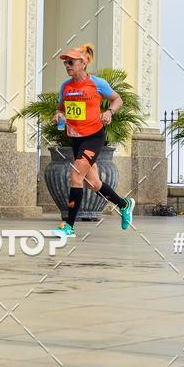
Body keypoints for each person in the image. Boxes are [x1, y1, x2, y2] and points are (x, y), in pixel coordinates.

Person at [52, 44, 135, 238]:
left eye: (71, 62)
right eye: (65, 63)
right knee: (93, 183)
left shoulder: (97, 83)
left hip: (93, 137)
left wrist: (109, 112)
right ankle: (124, 204)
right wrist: (58, 115)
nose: (67, 65)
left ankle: (69, 227)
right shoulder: (66, 86)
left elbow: (117, 99)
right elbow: (60, 109)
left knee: (76, 176)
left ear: (83, 63)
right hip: (75, 139)